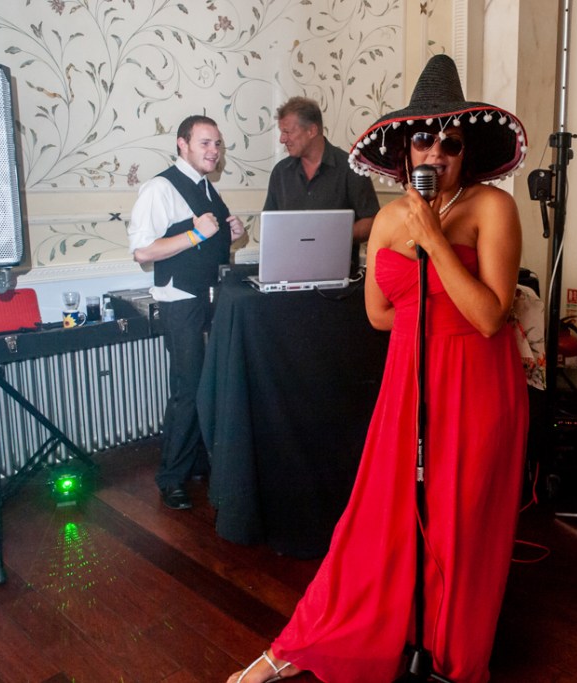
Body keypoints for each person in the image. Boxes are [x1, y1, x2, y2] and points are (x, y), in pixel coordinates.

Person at [227, 54, 530, 683]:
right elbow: (379, 315)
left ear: (465, 152)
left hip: (476, 383)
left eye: (451, 142)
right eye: (424, 139)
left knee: (457, 527)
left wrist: (436, 241)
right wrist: (428, 319)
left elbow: (491, 317)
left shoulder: (492, 210)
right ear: (404, 148)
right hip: (409, 381)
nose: (436, 153)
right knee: (380, 514)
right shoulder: (388, 220)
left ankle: (446, 654)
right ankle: (323, 638)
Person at [127, 115, 245, 511]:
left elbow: (212, 241)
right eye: (205, 143)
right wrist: (196, 234)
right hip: (179, 301)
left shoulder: (207, 189)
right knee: (187, 389)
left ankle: (196, 463)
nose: (214, 151)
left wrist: (233, 232)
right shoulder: (159, 188)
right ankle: (171, 477)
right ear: (183, 144)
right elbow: (143, 252)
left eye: (217, 144)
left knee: (206, 385)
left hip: (209, 298)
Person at [264, 96, 381, 265]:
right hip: (289, 272)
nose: (282, 139)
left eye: (287, 132)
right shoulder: (280, 173)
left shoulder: (352, 168)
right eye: (282, 132)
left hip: (340, 279)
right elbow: (270, 225)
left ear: (312, 131)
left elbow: (372, 222)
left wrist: (331, 237)